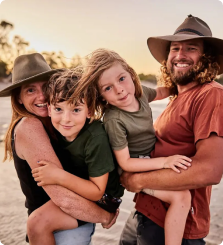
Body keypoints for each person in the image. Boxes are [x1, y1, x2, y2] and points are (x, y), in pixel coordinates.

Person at [70, 48, 194, 245]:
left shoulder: (140, 94)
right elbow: (126, 163)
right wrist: (165, 162)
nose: (119, 89)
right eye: (107, 88)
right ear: (102, 97)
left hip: (150, 159)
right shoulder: (114, 119)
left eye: (121, 79)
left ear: (130, 73)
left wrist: (184, 86)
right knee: (182, 197)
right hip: (134, 171)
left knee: (185, 182)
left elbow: (162, 92)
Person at [118, 14, 223, 245]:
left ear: (206, 57)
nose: (179, 55)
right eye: (175, 48)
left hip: (176, 226)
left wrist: (139, 181)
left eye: (191, 48)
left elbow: (210, 170)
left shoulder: (211, 94)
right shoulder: (177, 96)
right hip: (145, 211)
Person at [0, 53, 118, 245]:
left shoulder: (59, 124)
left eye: (45, 87)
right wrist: (105, 216)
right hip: (59, 228)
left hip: (74, 220)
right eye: (30, 90)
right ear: (19, 98)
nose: (41, 96)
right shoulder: (29, 126)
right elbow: (63, 198)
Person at [29, 68, 124, 245]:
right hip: (80, 188)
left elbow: (97, 192)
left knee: (37, 223)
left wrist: (58, 176)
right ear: (49, 109)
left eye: (76, 110)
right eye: (58, 108)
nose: (66, 119)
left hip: (103, 200)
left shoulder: (96, 138)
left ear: (89, 111)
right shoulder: (56, 130)